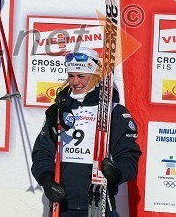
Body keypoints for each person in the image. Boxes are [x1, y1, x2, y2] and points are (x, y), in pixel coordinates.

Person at [31, 47, 141, 217]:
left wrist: (116, 173)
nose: (75, 82)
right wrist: (46, 179)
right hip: (62, 204)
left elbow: (129, 156)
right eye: (71, 76)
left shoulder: (114, 112)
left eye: (81, 76)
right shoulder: (58, 110)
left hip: (100, 205)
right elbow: (42, 152)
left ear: (95, 76)